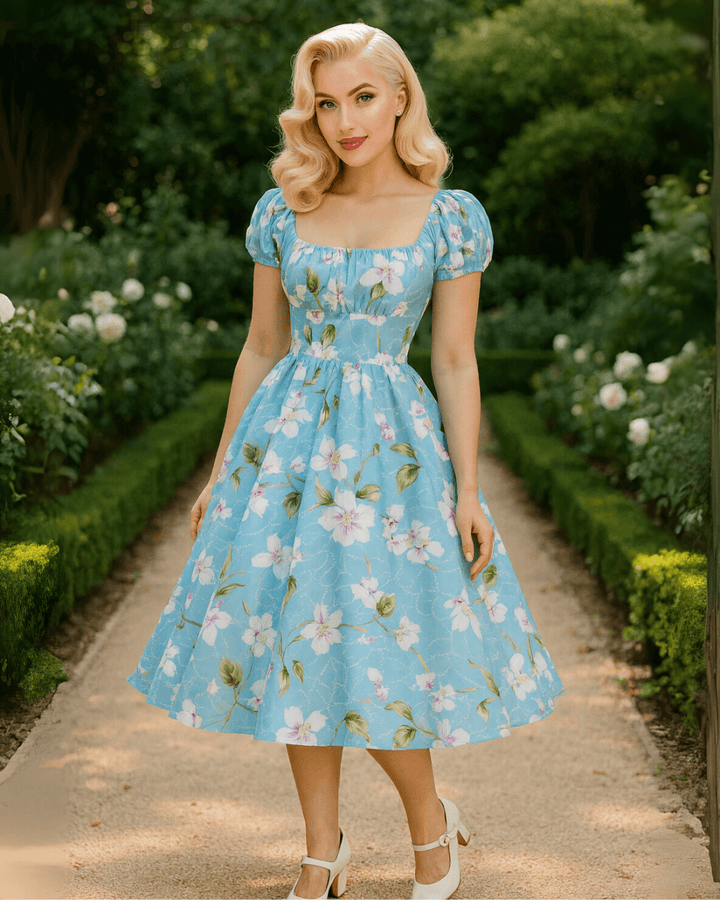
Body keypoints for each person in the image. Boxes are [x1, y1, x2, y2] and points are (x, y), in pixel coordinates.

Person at [127, 21, 565, 900]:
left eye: (363, 96)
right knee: (299, 647)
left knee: (384, 648)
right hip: (285, 450)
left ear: (402, 96)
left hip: (392, 458)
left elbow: (453, 360)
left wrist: (471, 490)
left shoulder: (449, 218)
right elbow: (259, 347)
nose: (344, 120)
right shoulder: (284, 208)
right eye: (326, 103)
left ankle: (430, 824)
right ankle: (319, 852)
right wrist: (223, 470)